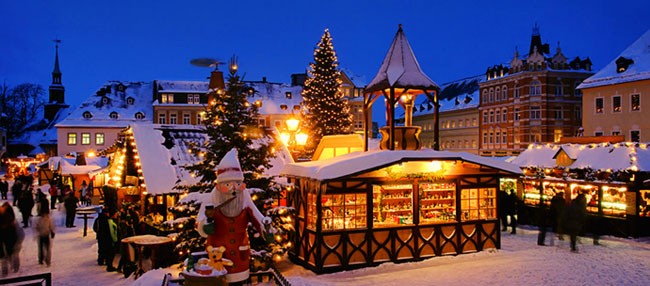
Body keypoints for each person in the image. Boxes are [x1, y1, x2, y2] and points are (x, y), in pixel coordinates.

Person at [197, 148, 269, 284]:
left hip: (240, 254)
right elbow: (200, 221)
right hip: (218, 253)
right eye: (228, 184)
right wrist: (205, 225)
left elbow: (257, 216)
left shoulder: (244, 197)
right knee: (220, 281)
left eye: (238, 184)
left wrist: (266, 229)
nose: (234, 188)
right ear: (219, 185)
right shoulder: (212, 199)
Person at [0, 203, 23, 276]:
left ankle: (14, 268)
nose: (1, 209)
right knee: (2, 256)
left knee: (11, 253)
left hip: (10, 237)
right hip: (3, 237)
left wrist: (18, 242)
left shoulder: (11, 222)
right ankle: (5, 270)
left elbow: (20, 234)